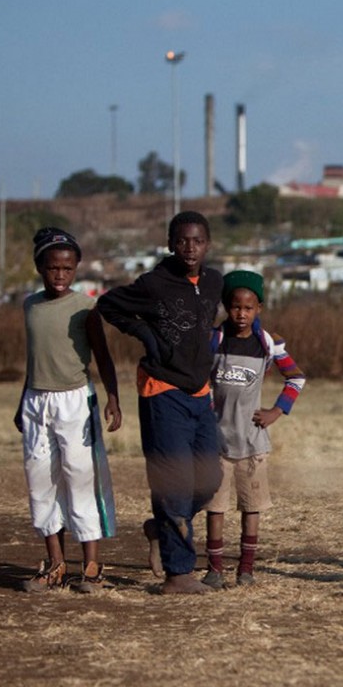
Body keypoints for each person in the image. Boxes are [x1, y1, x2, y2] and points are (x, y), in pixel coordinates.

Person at [97, 211, 224, 594]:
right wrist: (145, 335)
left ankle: (160, 528)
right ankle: (178, 573)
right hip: (161, 389)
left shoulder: (215, 281)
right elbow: (108, 304)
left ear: (208, 244)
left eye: (197, 241)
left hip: (199, 393)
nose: (190, 248)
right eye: (182, 240)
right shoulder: (154, 284)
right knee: (175, 484)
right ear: (171, 243)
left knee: (209, 480)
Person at [16, 228, 122, 594]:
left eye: (67, 268)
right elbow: (34, 360)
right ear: (39, 268)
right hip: (36, 400)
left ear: (76, 268)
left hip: (76, 400)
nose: (59, 275)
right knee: (41, 478)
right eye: (52, 268)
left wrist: (113, 397)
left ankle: (91, 566)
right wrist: (22, 403)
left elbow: (102, 355)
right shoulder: (30, 306)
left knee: (80, 477)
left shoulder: (86, 307)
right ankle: (55, 564)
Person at [201, 270, 305, 588]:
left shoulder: (267, 344)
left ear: (258, 308)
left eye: (248, 308)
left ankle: (246, 570)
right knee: (215, 509)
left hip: (252, 443)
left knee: (251, 507)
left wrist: (276, 411)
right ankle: (215, 569)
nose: (241, 314)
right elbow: (199, 380)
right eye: (235, 307)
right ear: (225, 307)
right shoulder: (214, 341)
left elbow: (296, 378)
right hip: (216, 443)